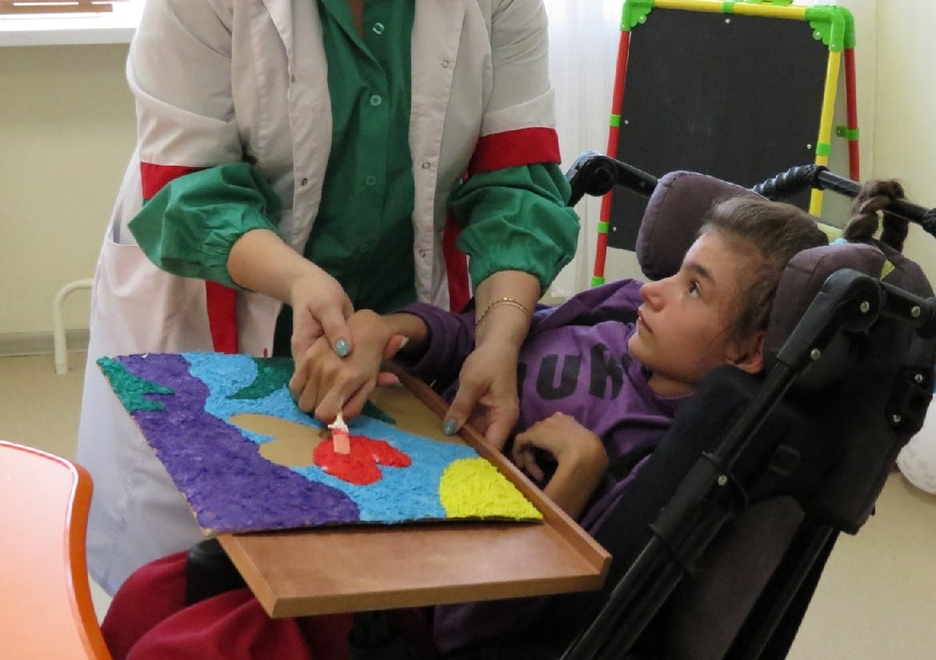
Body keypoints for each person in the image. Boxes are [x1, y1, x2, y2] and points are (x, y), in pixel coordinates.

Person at [78, 0, 579, 595]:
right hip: (219, 313)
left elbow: (517, 178)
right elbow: (187, 186)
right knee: (195, 595)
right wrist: (303, 281)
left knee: (377, 590)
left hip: (393, 333)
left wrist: (500, 336)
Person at [99, 194, 832, 660]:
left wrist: (573, 484)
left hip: (410, 597)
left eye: (694, 288)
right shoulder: (612, 314)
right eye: (675, 270)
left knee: (187, 647)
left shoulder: (657, 447)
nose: (654, 290)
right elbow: (476, 339)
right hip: (370, 495)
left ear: (749, 351)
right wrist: (398, 329)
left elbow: (476, 626)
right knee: (150, 595)